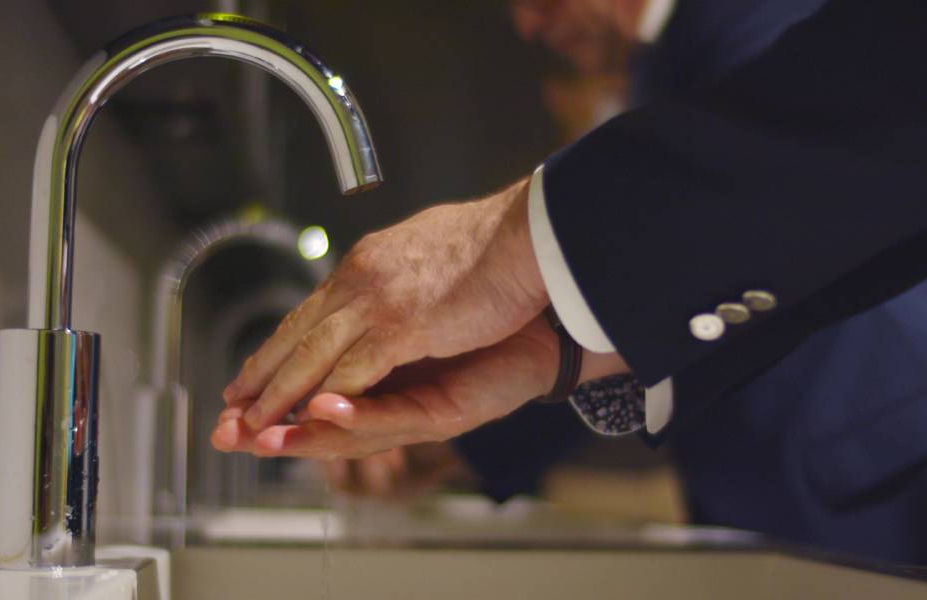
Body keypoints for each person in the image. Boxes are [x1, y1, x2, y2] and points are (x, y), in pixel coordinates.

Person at [212, 0, 927, 563]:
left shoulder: (746, 16)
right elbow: (708, 273)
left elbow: (810, 179)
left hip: (864, 466)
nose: (527, 22)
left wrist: (502, 238)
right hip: (806, 471)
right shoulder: (674, 56)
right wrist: (546, 364)